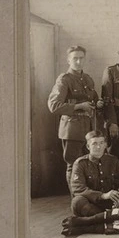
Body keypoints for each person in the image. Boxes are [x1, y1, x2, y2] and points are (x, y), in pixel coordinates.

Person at [48, 45, 101, 191]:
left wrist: (98, 103)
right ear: (68, 60)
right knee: (74, 165)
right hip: (72, 130)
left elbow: (93, 100)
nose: (78, 62)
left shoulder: (87, 79)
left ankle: (86, 198)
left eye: (81, 58)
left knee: (88, 164)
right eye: (75, 59)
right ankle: (76, 199)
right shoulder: (64, 80)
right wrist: (79, 106)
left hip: (89, 129)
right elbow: (53, 105)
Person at [69, 131, 119, 218]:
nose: (98, 147)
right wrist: (102, 195)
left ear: (105, 145)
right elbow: (78, 188)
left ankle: (102, 218)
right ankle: (110, 216)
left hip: (110, 200)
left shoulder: (113, 160)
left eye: (101, 143)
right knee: (77, 202)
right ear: (88, 146)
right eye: (94, 144)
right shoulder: (80, 163)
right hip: (92, 202)